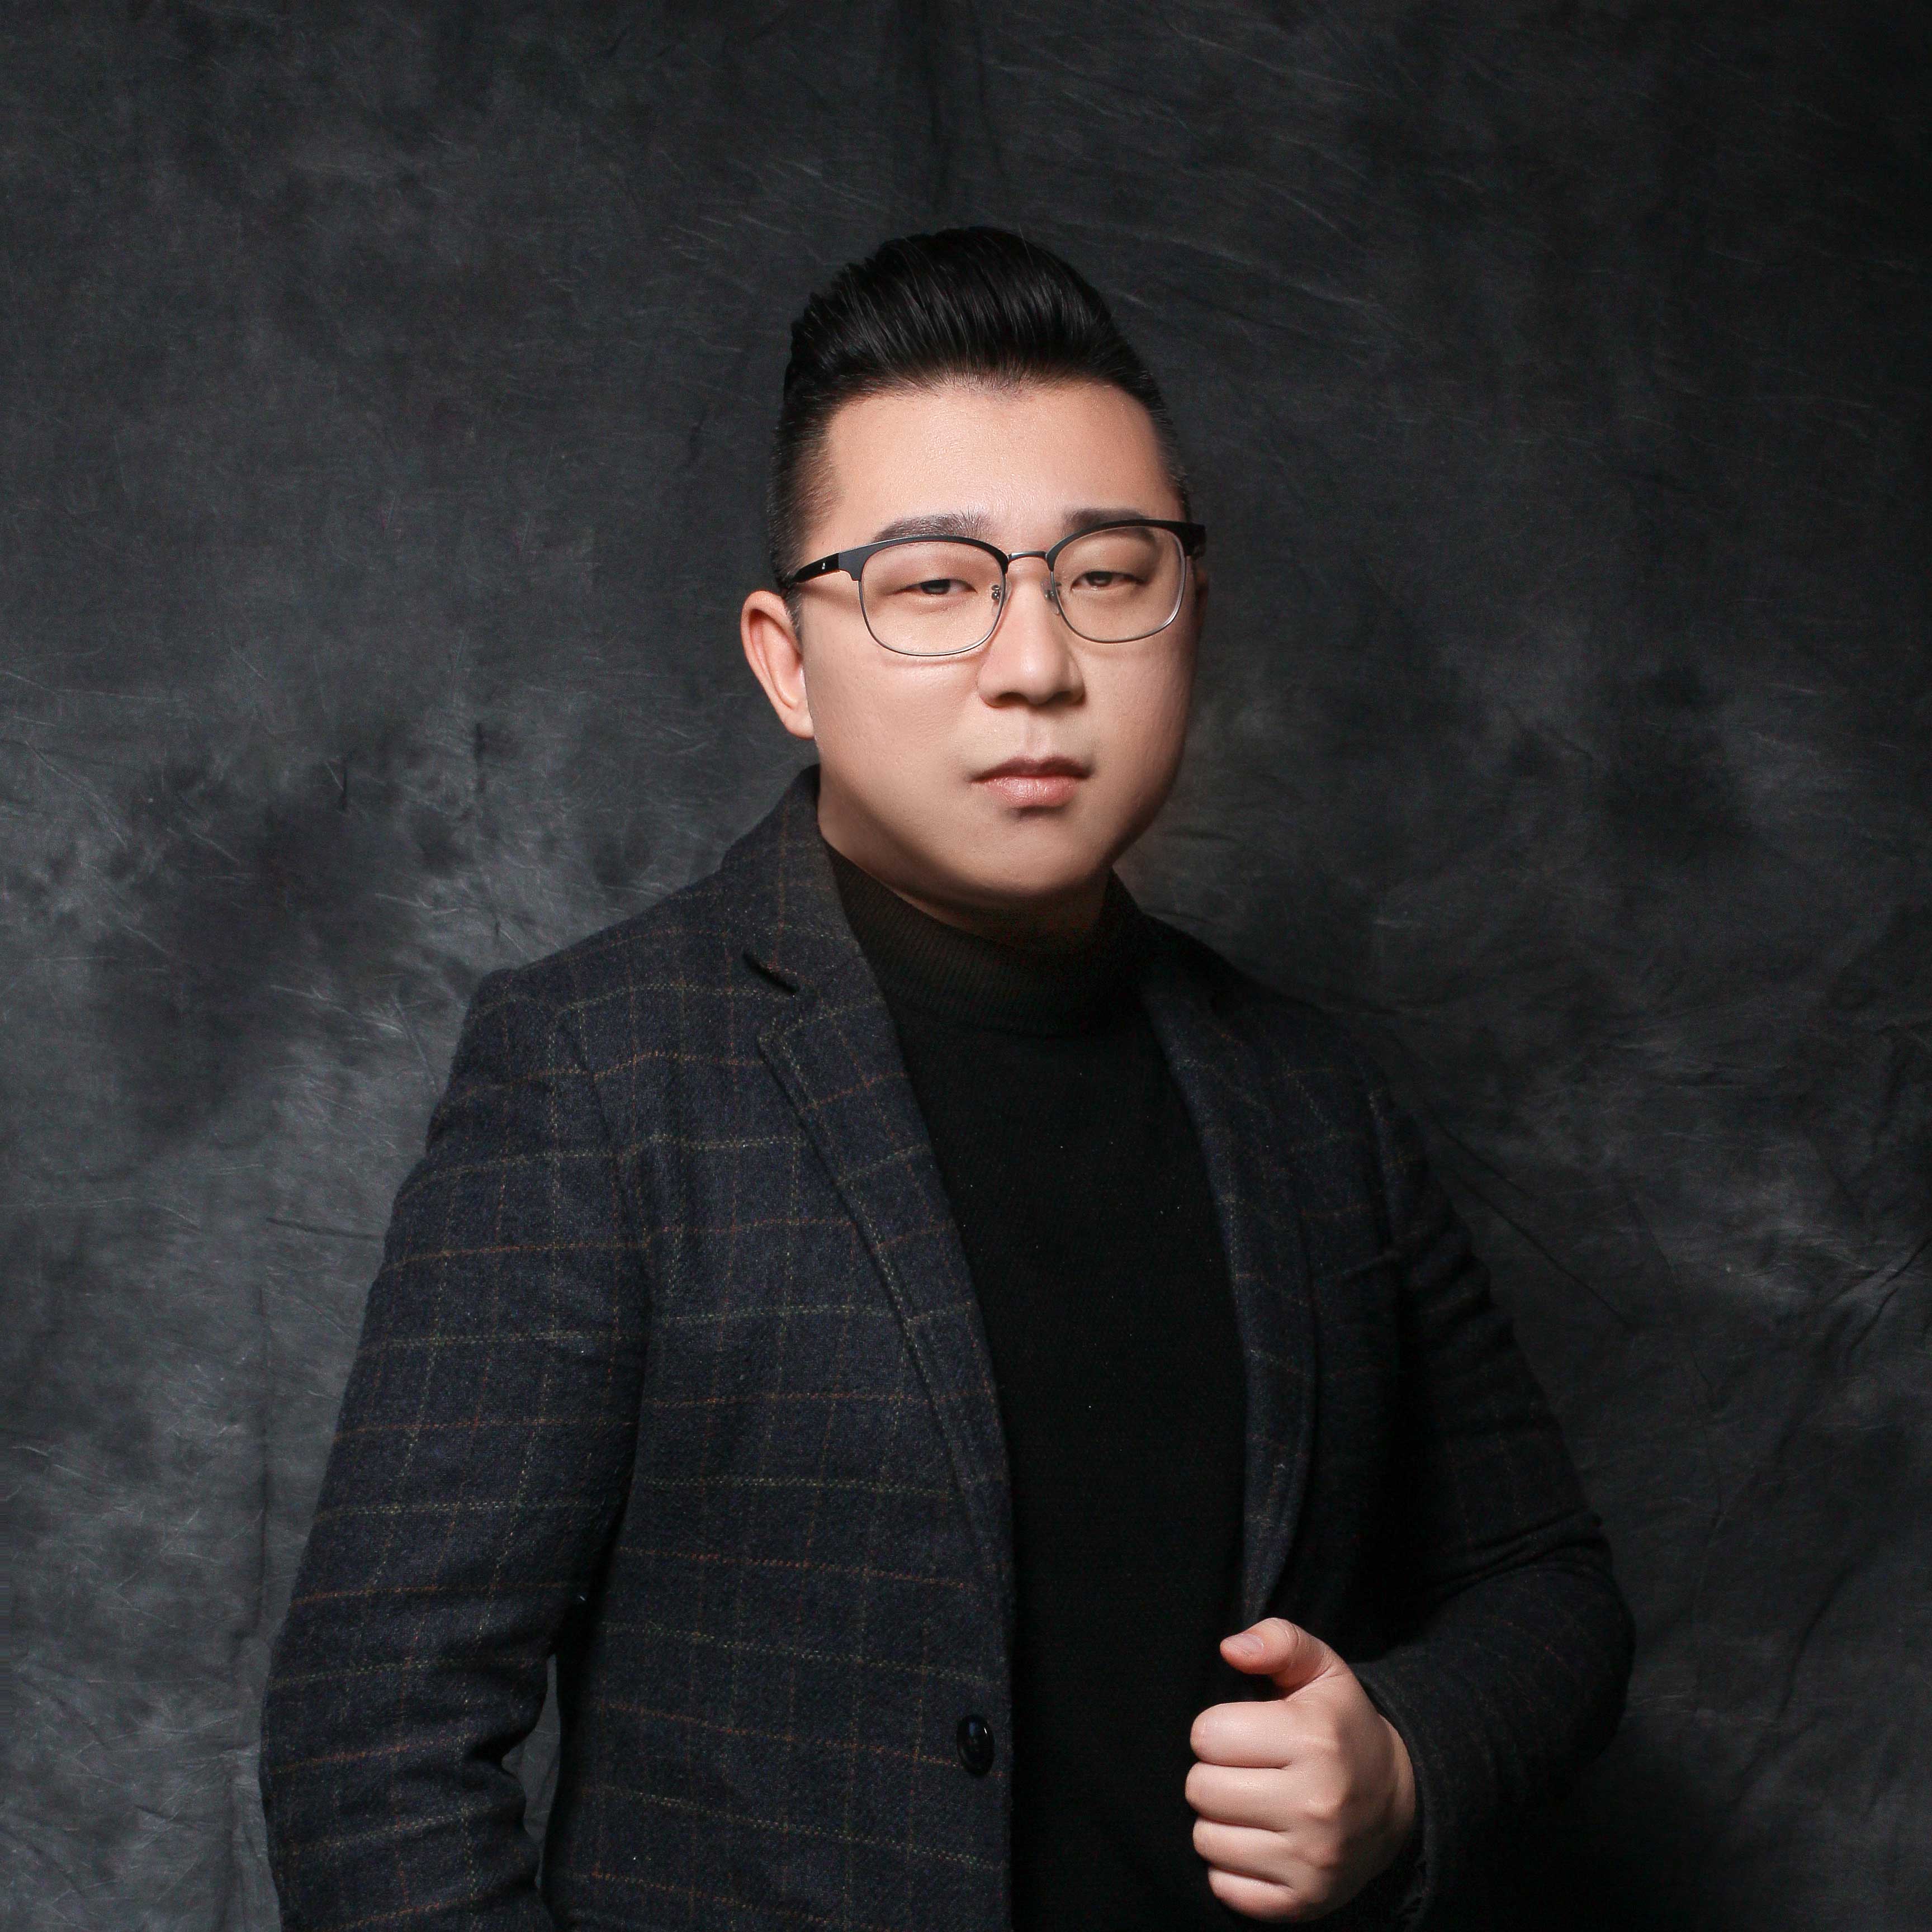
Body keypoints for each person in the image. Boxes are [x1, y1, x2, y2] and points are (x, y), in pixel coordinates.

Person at [259, 228, 1632, 1931]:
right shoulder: (600, 1076)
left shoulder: (1312, 1097)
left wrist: (1408, 1762)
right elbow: (373, 1743)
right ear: (787, 659)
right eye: (934, 585)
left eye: (1107, 575)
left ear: (1191, 612)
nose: (1036, 663)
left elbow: (1547, 1586)